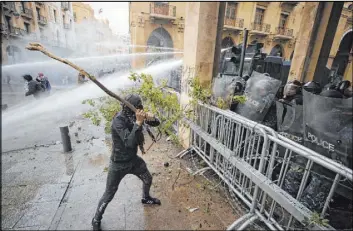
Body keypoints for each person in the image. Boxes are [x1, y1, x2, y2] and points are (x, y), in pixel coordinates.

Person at [92, 94, 161, 231]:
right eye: (137, 108)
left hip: (133, 160)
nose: (138, 111)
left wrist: (150, 117)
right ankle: (96, 219)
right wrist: (138, 123)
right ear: (127, 108)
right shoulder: (118, 121)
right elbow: (129, 143)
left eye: (140, 108)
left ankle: (146, 198)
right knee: (109, 193)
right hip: (118, 164)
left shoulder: (135, 116)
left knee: (148, 178)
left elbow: (157, 123)